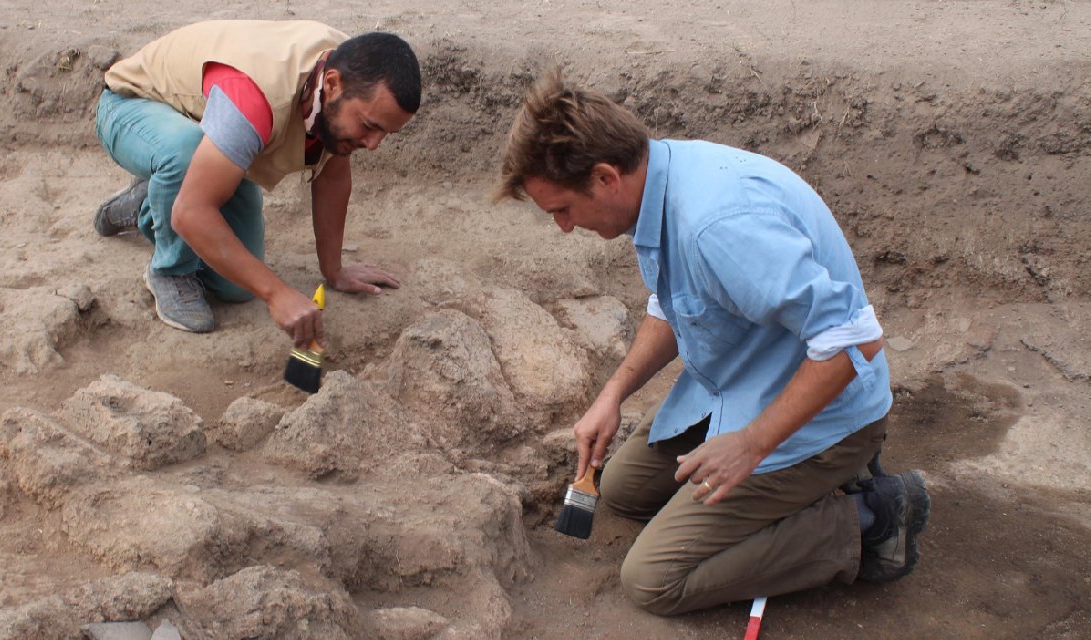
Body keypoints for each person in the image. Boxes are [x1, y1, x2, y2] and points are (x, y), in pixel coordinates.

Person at [495, 70, 930, 616]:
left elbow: (854, 342)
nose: (562, 226)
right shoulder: (657, 181)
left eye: (562, 209)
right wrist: (613, 394)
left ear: (605, 177)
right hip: (742, 385)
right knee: (625, 489)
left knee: (654, 579)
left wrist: (749, 445)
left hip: (827, 419)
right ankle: (793, 492)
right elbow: (674, 304)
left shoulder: (715, 223)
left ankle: (871, 519)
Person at [93, 20, 421, 345]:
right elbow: (191, 213)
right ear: (332, 85)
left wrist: (334, 270)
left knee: (234, 287)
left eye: (385, 133)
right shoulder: (256, 98)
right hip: (132, 106)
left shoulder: (354, 74)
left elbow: (333, 177)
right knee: (185, 158)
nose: (374, 144)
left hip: (210, 133)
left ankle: (147, 206)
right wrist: (276, 293)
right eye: (369, 126)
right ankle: (169, 271)